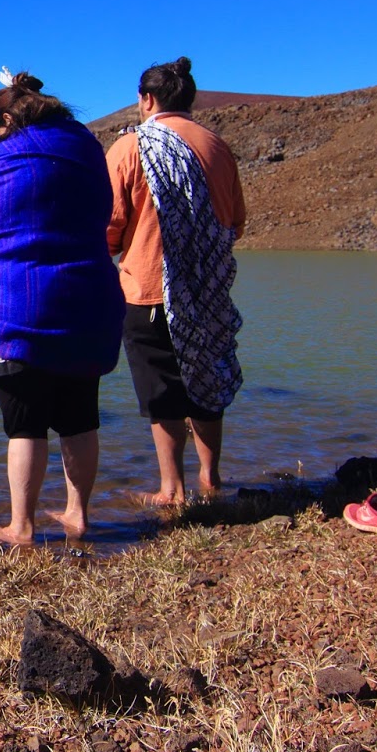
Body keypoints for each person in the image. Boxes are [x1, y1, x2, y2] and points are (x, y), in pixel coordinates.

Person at [0, 69, 125, 546]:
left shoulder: (5, 156)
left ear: (9, 118)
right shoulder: (85, 146)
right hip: (85, 299)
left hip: (15, 307)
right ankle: (78, 515)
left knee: (25, 423)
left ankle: (22, 526)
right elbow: (101, 210)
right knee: (80, 415)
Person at [105, 57, 246, 506]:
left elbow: (107, 227)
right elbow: (234, 222)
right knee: (205, 380)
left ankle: (171, 489)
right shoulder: (217, 147)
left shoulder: (130, 148)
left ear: (147, 99)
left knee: (162, 390)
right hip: (207, 291)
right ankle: (211, 478)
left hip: (148, 290)